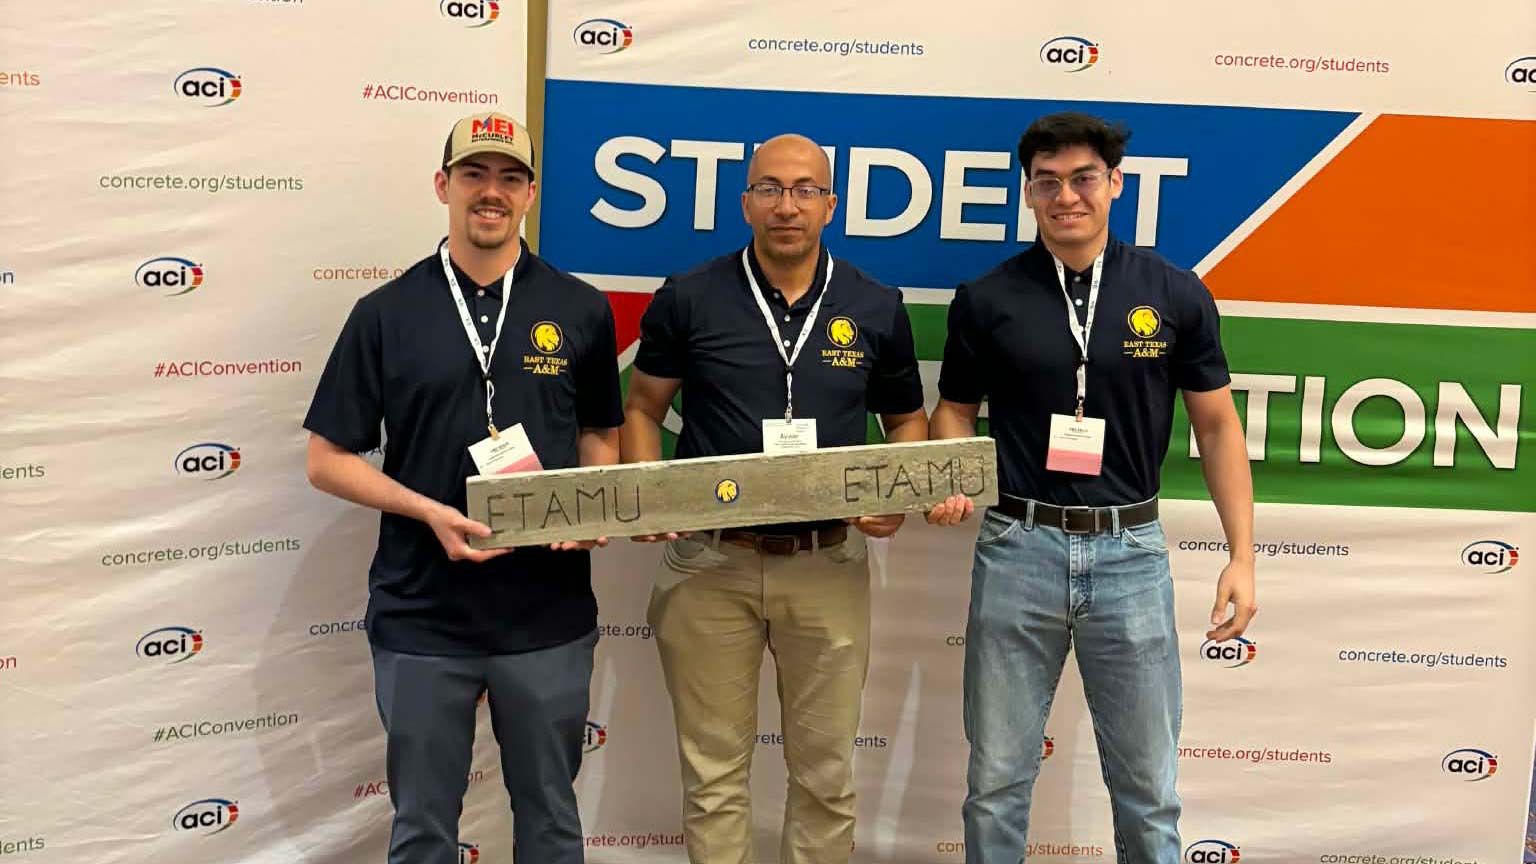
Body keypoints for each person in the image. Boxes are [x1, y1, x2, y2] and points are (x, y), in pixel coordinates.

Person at [927, 111, 1258, 864]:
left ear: (1114, 184)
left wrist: (1242, 555)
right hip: (1018, 546)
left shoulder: (1174, 293)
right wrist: (953, 477)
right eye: (1047, 182)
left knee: (1147, 787)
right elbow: (953, 410)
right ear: (1029, 192)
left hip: (1131, 553)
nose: (1065, 196)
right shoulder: (986, 298)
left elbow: (1217, 429)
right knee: (997, 779)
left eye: (1082, 179)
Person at [303, 111, 622, 864]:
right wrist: (426, 510)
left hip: (546, 613)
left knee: (549, 819)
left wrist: (592, 504)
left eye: (510, 178)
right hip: (422, 614)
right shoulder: (385, 313)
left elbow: (599, 437)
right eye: (475, 174)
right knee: (422, 830)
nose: (492, 192)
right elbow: (327, 458)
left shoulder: (580, 308)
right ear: (443, 185)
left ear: (531, 194)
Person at [620, 133, 929, 864]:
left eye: (802, 190)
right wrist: (646, 494)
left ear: (829, 205)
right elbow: (641, 407)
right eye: (768, 188)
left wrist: (898, 491)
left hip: (826, 562)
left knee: (825, 775)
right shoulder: (689, 296)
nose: (785, 206)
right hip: (710, 563)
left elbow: (907, 421)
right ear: (745, 202)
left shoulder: (875, 305)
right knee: (712, 775)